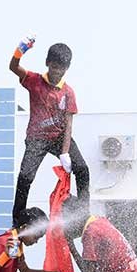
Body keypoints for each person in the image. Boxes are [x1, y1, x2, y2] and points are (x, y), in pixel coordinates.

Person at [7, 37, 90, 221]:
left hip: (59, 137)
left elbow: (68, 125)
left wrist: (65, 152)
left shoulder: (68, 92)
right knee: (25, 177)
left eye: (61, 69)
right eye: (54, 67)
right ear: (47, 63)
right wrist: (20, 50)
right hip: (37, 138)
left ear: (67, 68)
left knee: (82, 168)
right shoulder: (34, 80)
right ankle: (17, 219)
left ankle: (84, 213)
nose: (57, 72)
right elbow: (13, 67)